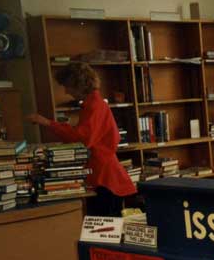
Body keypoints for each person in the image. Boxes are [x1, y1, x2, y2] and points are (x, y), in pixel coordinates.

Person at [26, 62, 137, 216]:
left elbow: (83, 139)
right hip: (103, 175)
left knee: (104, 227)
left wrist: (47, 123)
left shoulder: (94, 105)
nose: (65, 91)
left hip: (103, 177)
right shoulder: (93, 104)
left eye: (67, 86)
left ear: (78, 85)